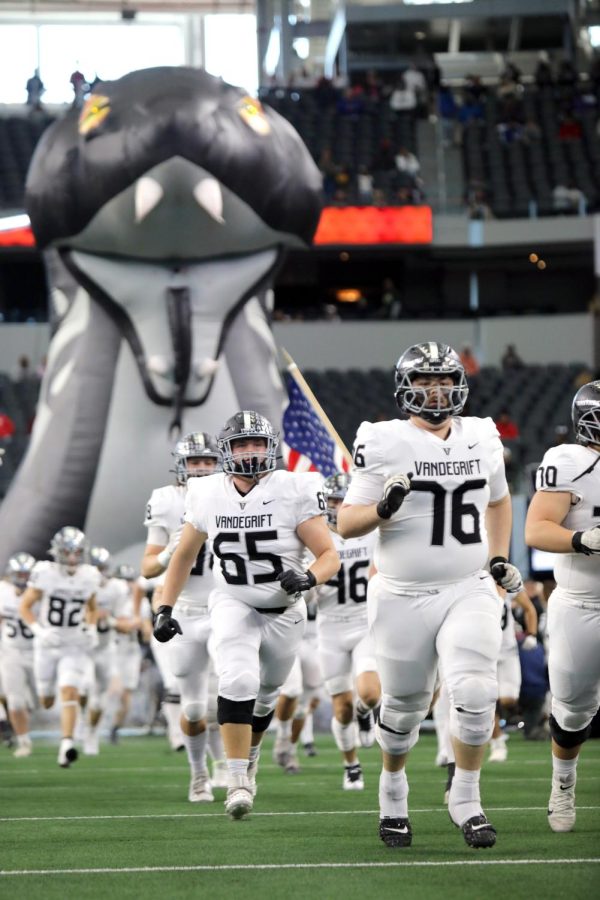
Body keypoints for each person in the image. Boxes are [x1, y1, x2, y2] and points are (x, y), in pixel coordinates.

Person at [338, 341, 522, 849]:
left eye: (444, 380)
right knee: (402, 709)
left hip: (468, 586)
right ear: (407, 388)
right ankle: (392, 788)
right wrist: (383, 508)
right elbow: (346, 522)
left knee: (477, 691)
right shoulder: (382, 441)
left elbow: (500, 503)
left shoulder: (483, 435)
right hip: (401, 593)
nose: (436, 390)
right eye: (425, 381)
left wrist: (499, 556)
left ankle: (465, 796)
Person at [157, 410, 340, 820]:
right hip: (232, 600)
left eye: (257, 443)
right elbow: (184, 556)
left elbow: (329, 556)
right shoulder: (206, 492)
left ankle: (251, 757)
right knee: (237, 678)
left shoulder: (294, 487)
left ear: (270, 447)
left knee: (268, 696)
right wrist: (165, 606)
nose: (250, 451)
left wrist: (308, 578)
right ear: (228, 450)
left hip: (285, 609)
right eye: (241, 444)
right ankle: (238, 781)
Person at [525, 380, 600, 833]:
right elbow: (536, 530)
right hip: (583, 601)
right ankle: (563, 784)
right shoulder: (568, 462)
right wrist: (581, 539)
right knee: (573, 710)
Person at [142, 431, 222, 802]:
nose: (202, 468)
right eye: (195, 462)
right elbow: (147, 568)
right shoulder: (165, 500)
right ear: (182, 465)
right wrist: (166, 554)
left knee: (231, 695)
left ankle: (232, 767)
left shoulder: (234, 493)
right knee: (192, 706)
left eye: (208, 461)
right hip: (186, 610)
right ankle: (198, 774)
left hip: (227, 606)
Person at [313, 472, 380, 790]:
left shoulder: (371, 533)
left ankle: (365, 713)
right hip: (330, 628)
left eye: (344, 499)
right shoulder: (313, 538)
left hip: (364, 623)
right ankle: (351, 764)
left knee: (369, 693)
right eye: (334, 500)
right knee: (340, 707)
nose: (338, 506)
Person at [19, 527, 100, 767]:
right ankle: (50, 705)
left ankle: (66, 746)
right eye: (68, 552)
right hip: (47, 643)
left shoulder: (90, 575)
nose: (73, 557)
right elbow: (25, 607)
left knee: (70, 690)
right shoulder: (45, 572)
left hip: (73, 643)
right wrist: (39, 631)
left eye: (77, 552)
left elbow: (92, 608)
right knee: (46, 699)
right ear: (58, 552)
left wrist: (91, 628)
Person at [82, 547, 132, 756]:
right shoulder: (79, 585)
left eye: (102, 568)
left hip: (105, 647)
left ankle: (91, 732)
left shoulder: (117, 588)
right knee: (83, 688)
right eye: (96, 568)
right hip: (83, 647)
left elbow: (125, 625)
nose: (99, 573)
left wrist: (107, 619)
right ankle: (79, 722)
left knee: (99, 698)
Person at [488, 587, 538, 763]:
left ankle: (515, 720)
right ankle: (497, 743)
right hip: (485, 654)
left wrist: (531, 633)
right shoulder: (470, 581)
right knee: (488, 701)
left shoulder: (506, 580)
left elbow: (529, 608)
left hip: (508, 652)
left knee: (508, 700)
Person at [0, 553, 37, 757]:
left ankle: (29, 703)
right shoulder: (2, 592)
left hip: (38, 651)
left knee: (44, 701)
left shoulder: (40, 593)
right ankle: (24, 742)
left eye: (26, 573)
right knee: (14, 702)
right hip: (11, 651)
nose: (23, 578)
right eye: (19, 573)